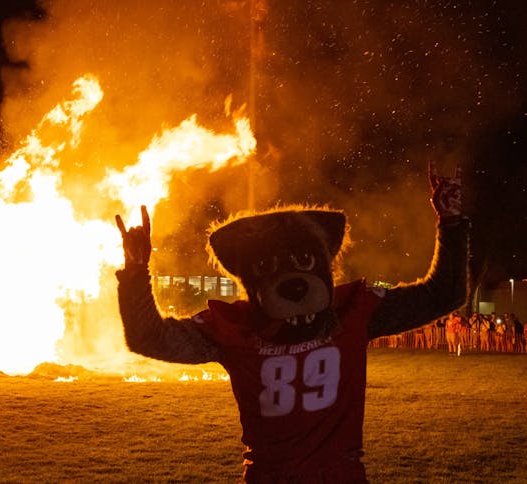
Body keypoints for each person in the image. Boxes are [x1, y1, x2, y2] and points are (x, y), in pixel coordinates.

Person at [115, 164, 467, 482]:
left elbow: (443, 296)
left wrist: (451, 226)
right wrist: (135, 273)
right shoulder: (242, 327)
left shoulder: (350, 310)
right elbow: (149, 338)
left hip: (329, 473)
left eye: (304, 261)